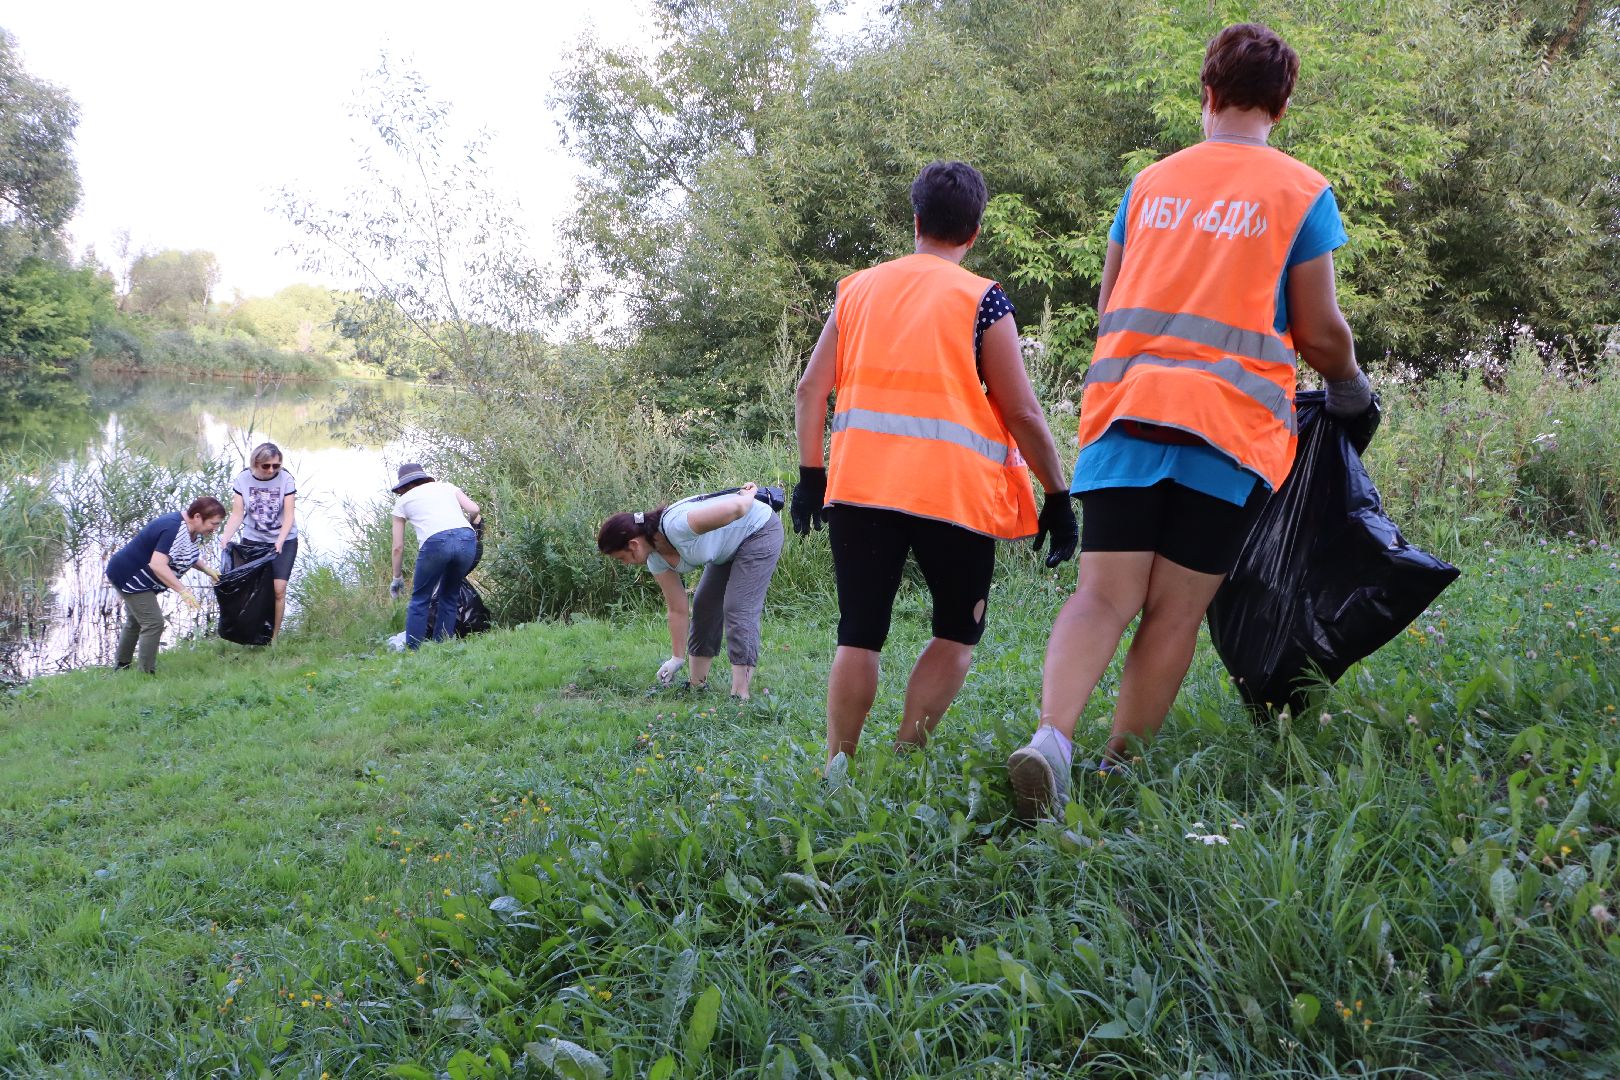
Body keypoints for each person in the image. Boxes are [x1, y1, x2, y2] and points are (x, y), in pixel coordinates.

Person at [1006, 23, 1379, 818]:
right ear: (1283, 105)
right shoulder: (1301, 192)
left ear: (1206, 94)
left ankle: (1052, 740)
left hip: (1126, 411)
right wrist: (1349, 386)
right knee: (1174, 610)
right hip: (1229, 431)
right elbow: (1318, 331)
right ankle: (1113, 770)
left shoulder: (1147, 185)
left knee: (1102, 597)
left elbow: (1110, 303)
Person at [793, 160, 1078, 769]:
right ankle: (903, 756)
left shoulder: (856, 290)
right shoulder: (984, 299)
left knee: (858, 633)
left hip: (861, 490)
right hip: (954, 496)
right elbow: (1023, 411)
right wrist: (1058, 494)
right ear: (974, 232)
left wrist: (810, 475)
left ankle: (837, 767)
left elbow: (810, 391)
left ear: (916, 220)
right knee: (956, 632)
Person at [598, 483, 785, 700]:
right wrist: (676, 658)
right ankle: (697, 686)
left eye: (622, 558)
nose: (625, 564)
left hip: (759, 531)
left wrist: (749, 494)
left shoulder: (678, 526)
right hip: (726, 547)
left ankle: (739, 694)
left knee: (738, 607)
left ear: (633, 544)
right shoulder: (656, 559)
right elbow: (677, 609)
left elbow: (738, 508)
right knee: (704, 606)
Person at [104, 496, 227, 673]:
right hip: (130, 576)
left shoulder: (192, 530)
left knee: (135, 621)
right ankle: (146, 673)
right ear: (198, 516)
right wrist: (183, 591)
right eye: (213, 524)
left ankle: (121, 668)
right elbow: (157, 564)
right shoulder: (173, 528)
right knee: (154, 623)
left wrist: (206, 569)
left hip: (135, 576)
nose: (215, 529)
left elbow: (184, 554)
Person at [388, 463, 482, 648]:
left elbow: (398, 547)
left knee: (419, 600)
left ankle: (414, 650)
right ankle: (442, 646)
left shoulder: (402, 502)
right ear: (423, 478)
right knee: (450, 595)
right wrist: (471, 524)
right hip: (466, 538)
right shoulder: (446, 486)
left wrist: (396, 577)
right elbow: (474, 509)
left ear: (404, 486)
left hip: (435, 543)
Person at [218, 441, 297, 642]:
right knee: (250, 589)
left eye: (276, 466)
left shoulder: (286, 479)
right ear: (255, 463)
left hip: (284, 540)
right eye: (266, 466)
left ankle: (274, 638)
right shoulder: (243, 479)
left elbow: (289, 517)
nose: (271, 470)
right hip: (252, 540)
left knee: (278, 590)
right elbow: (237, 514)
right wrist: (226, 537)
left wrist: (279, 541)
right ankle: (250, 633)